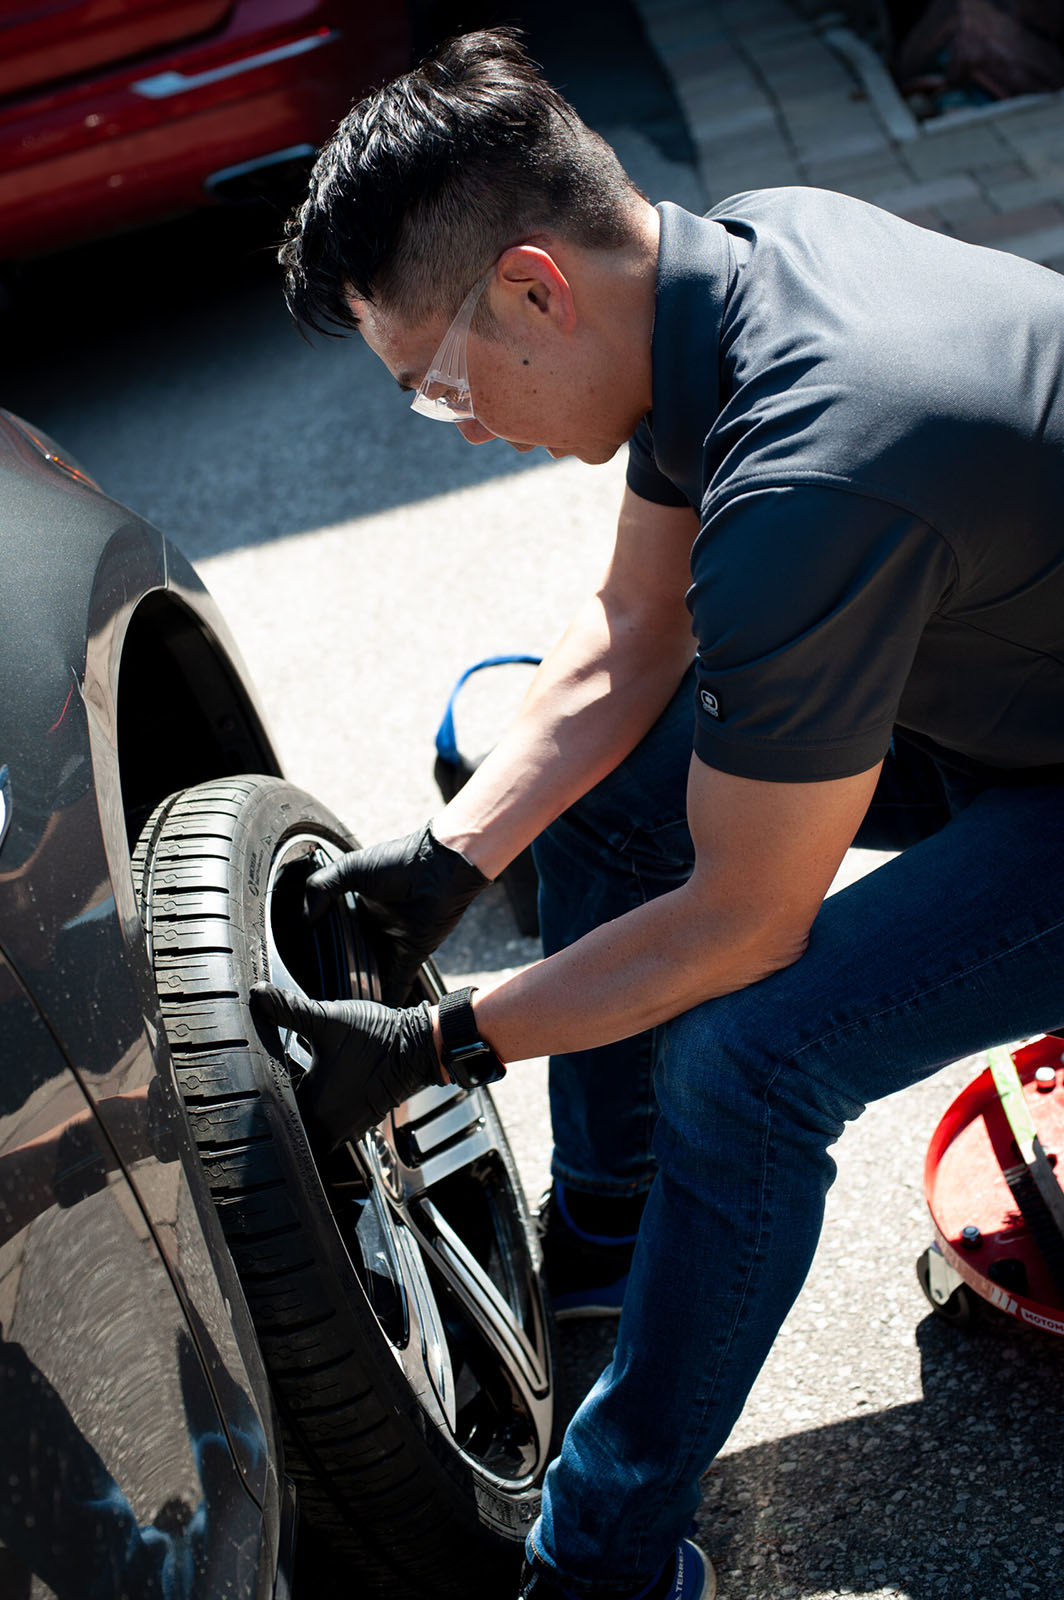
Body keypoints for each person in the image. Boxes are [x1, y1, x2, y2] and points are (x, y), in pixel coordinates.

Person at [251, 26, 1064, 1600]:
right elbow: (634, 636)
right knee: (623, 794)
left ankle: (607, 1557)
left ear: (538, 286)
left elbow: (745, 922)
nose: (462, 422)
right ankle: (622, 1266)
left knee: (752, 1059)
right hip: (1014, 682)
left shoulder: (811, 473)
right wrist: (453, 855)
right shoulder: (737, 269)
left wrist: (446, 1043)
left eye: (437, 386)